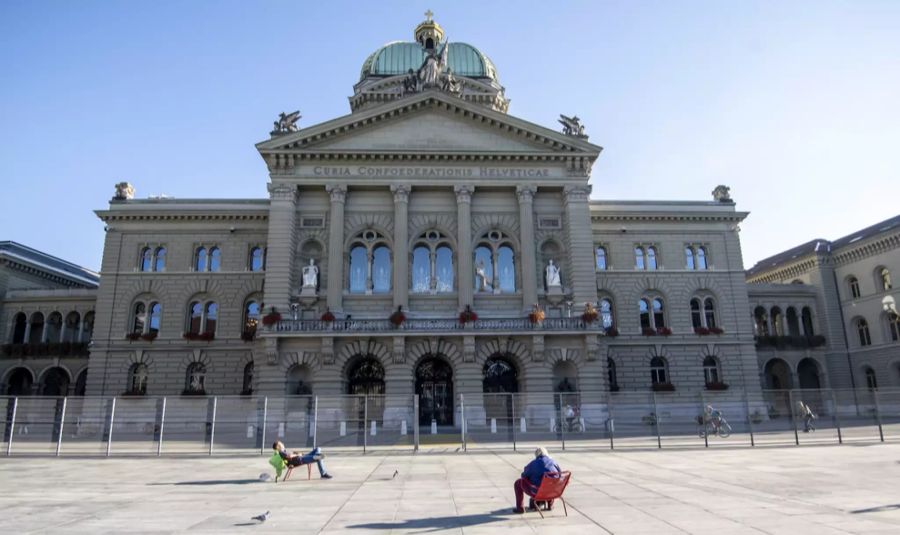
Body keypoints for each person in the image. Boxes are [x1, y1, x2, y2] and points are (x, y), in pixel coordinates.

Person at [513, 446, 561, 514]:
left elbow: (523, 475)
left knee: (518, 483)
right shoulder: (554, 462)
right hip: (553, 492)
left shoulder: (534, 463)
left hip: (538, 492)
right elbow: (560, 475)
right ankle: (550, 504)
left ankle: (520, 508)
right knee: (551, 482)